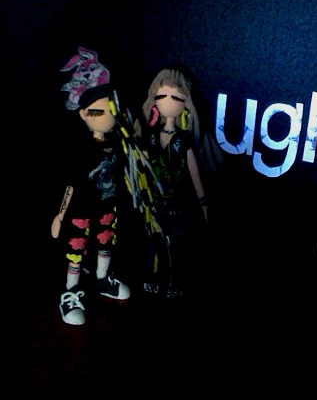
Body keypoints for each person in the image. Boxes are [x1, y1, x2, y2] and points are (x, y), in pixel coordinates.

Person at [52, 46, 164, 325]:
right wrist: (60, 215)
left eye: (110, 109)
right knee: (76, 250)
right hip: (81, 209)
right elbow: (71, 184)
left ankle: (103, 279)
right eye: (98, 111)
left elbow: (134, 156)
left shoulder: (117, 143)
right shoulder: (81, 149)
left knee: (105, 242)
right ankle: (70, 291)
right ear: (83, 114)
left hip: (107, 205)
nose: (107, 117)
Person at [133, 68, 222, 298]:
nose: (168, 101)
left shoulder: (183, 140)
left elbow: (195, 175)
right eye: (162, 95)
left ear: (185, 103)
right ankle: (153, 277)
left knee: (174, 245)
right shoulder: (151, 137)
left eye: (176, 97)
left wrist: (203, 203)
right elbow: (141, 165)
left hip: (177, 204)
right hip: (153, 202)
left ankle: (173, 281)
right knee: (154, 242)